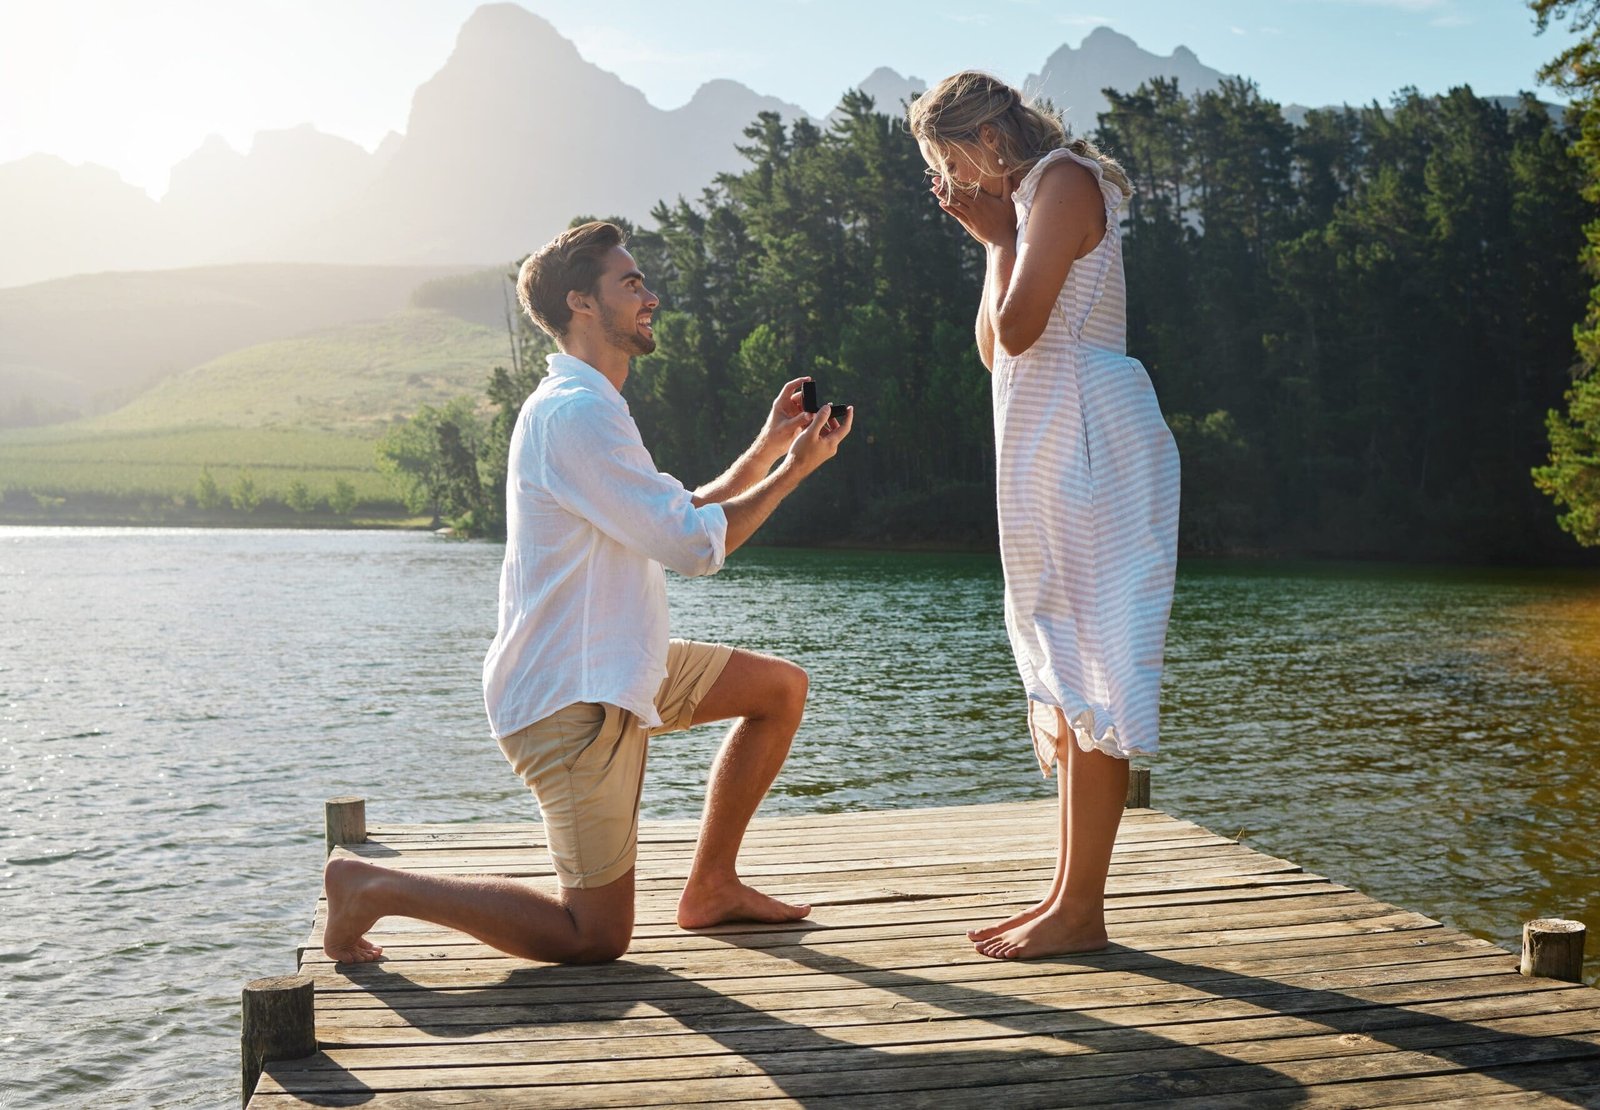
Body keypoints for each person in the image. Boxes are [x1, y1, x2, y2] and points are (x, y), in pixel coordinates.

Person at [322, 220, 852, 965]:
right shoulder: (577, 414)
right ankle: (371, 888)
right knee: (593, 935)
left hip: (615, 665)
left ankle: (711, 887)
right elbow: (694, 547)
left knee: (778, 690)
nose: (652, 297)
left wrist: (769, 447)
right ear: (580, 303)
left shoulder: (589, 406)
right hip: (570, 696)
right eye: (631, 283)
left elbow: (679, 513)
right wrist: (796, 471)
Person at [908, 73, 1180, 960]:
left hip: (1091, 441)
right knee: (1065, 670)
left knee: (1095, 664)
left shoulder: (1062, 180)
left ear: (986, 136)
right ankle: (1067, 898)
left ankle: (1082, 910)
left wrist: (1006, 232)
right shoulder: (1026, 203)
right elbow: (993, 347)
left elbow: (1023, 330)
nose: (955, 181)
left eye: (950, 161)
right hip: (1050, 443)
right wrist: (994, 241)